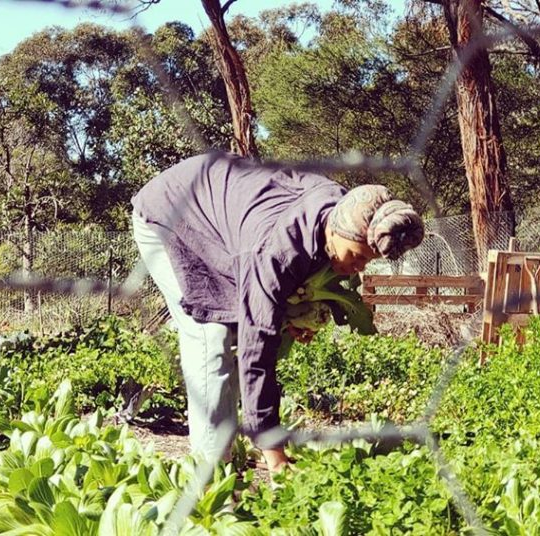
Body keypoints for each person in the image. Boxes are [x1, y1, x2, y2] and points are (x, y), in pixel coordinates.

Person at [131, 151, 424, 472]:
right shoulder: (275, 250)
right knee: (209, 335)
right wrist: (274, 450)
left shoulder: (345, 210)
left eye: (367, 260)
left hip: (224, 213)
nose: (359, 267)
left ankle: (226, 450)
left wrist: (290, 314)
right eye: (357, 256)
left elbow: (288, 281)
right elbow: (258, 349)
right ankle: (211, 475)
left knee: (235, 329)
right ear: (339, 231)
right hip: (172, 212)